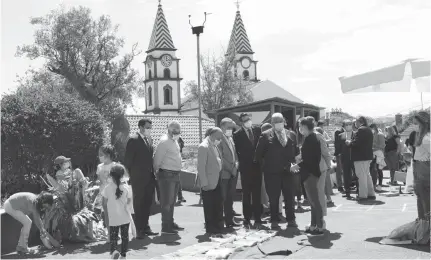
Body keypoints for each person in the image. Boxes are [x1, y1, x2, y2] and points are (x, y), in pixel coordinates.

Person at [254, 113, 298, 229]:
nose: (278, 124)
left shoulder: (291, 134)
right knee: (273, 198)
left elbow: (296, 153)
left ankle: (291, 219)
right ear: (272, 124)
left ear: (284, 121)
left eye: (280, 121)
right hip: (272, 173)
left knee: (289, 197)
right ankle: (274, 220)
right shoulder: (265, 135)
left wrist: (293, 164)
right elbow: (258, 155)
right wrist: (268, 166)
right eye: (275, 122)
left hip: (288, 172)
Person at [124, 118, 158, 238]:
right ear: (141, 127)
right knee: (138, 204)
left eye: (150, 127)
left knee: (147, 203)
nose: (149, 129)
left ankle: (146, 226)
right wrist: (132, 175)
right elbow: (128, 160)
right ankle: (139, 230)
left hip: (149, 177)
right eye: (148, 127)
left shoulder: (149, 139)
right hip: (138, 178)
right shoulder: (133, 140)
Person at [291, 116, 324, 235]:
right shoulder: (311, 138)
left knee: (314, 201)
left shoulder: (310, 139)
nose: (299, 129)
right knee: (312, 202)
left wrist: (297, 165)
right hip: (311, 173)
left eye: (300, 127)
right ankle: (314, 224)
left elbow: (309, 159)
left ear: (304, 127)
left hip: (310, 173)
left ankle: (319, 225)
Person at [233, 113, 264, 228]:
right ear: (241, 122)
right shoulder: (237, 135)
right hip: (246, 168)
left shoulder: (257, 130)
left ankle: (258, 218)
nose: (248, 121)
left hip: (257, 167)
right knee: (246, 194)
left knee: (257, 194)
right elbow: (237, 152)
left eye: (249, 119)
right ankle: (247, 218)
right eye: (245, 120)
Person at [153, 121, 184, 235]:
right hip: (166, 175)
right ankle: (166, 226)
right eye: (175, 131)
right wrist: (157, 173)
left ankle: (170, 222)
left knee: (172, 202)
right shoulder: (164, 141)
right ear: (169, 130)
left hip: (174, 174)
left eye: (178, 131)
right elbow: (157, 160)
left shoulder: (174, 141)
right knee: (167, 202)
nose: (177, 133)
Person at [196, 127, 224, 236]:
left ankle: (218, 227)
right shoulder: (204, 146)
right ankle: (211, 228)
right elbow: (201, 167)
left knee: (217, 205)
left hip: (217, 180)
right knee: (209, 207)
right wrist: (204, 183)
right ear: (212, 135)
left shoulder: (214, 145)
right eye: (218, 137)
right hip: (208, 182)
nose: (220, 139)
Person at [102, 164, 132, 260]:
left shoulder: (107, 188)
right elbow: (129, 201)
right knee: (125, 237)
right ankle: (123, 255)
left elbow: (104, 202)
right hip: (125, 217)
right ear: (123, 175)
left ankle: (114, 251)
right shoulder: (126, 188)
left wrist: (106, 211)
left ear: (111, 175)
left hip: (113, 217)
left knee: (113, 237)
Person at [218, 118, 241, 228]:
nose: (230, 130)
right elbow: (220, 158)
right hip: (224, 174)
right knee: (222, 198)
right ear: (222, 127)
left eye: (232, 128)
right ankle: (221, 222)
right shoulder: (219, 139)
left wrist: (236, 164)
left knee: (230, 198)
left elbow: (235, 154)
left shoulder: (230, 138)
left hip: (233, 173)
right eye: (228, 127)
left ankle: (229, 220)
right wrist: (230, 169)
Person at [346, 117, 375, 203]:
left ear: (359, 122)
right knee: (367, 175)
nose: (355, 124)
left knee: (361, 176)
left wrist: (349, 142)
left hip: (361, 156)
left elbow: (357, 143)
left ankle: (363, 195)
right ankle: (371, 193)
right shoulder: (368, 129)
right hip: (367, 156)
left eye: (355, 122)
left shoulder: (361, 130)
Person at [412, 111, 430, 220]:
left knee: (424, 198)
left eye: (416, 123)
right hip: (419, 167)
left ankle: (426, 224)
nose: (414, 126)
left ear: (423, 124)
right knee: (421, 196)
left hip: (423, 168)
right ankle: (423, 221)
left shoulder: (426, 139)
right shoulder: (422, 137)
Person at [315, 127, 334, 217]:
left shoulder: (319, 138)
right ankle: (328, 198)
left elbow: (326, 153)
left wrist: (328, 163)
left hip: (321, 166)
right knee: (324, 184)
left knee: (320, 189)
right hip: (323, 166)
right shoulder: (319, 138)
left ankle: (321, 212)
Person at [337, 120, 355, 199]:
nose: (348, 126)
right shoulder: (340, 135)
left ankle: (359, 191)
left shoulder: (356, 134)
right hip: (345, 158)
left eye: (349, 124)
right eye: (346, 125)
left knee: (356, 175)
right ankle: (347, 192)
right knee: (346, 175)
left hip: (354, 158)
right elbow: (338, 147)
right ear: (344, 126)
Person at [369, 124, 386, 190]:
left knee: (379, 170)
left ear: (374, 128)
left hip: (379, 154)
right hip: (373, 154)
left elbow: (382, 145)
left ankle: (380, 185)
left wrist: (374, 145)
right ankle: (373, 185)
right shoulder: (373, 135)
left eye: (371, 129)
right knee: (372, 170)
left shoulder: (380, 135)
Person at [333, 125, 345, 193]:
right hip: (340, 153)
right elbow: (337, 143)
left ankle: (345, 184)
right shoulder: (338, 131)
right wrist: (338, 152)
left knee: (344, 170)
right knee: (339, 170)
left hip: (345, 154)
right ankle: (340, 185)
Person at [177, 136, 186, 204]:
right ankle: (179, 196)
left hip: (177, 160)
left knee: (178, 179)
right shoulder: (166, 139)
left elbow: (182, 145)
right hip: (171, 162)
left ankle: (180, 196)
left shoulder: (179, 138)